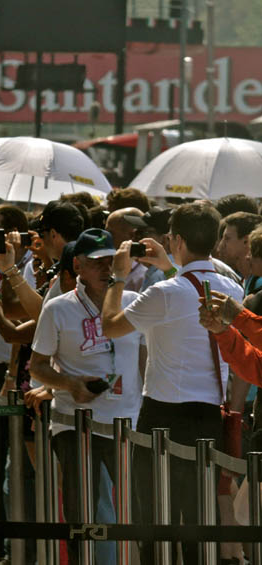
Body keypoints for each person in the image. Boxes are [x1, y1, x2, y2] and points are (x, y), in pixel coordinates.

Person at [101, 202, 244, 565]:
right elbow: (194, 282)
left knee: (151, 513)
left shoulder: (164, 292)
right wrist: (170, 264)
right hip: (209, 412)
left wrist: (118, 277)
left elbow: (111, 325)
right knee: (198, 515)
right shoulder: (233, 289)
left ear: (176, 239)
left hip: (161, 414)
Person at [30, 228, 145, 565]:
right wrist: (69, 383)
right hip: (75, 423)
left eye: (111, 261)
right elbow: (37, 365)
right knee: (83, 511)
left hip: (127, 420)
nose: (106, 268)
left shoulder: (132, 302)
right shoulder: (57, 309)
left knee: (134, 505)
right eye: (97, 263)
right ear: (78, 265)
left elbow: (144, 355)